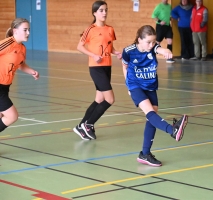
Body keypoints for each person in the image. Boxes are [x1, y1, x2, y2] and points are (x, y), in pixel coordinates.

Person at [122, 25, 188, 167]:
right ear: (139, 40)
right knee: (150, 112)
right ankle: (172, 130)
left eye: (153, 41)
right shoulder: (129, 51)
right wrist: (128, 86)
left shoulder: (153, 47)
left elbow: (159, 48)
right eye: (148, 42)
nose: (151, 45)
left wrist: (165, 50)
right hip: (136, 86)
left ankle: (145, 153)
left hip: (151, 86)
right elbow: (125, 66)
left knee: (152, 118)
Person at [73, 0, 122, 140]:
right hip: (96, 68)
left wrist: (116, 52)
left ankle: (80, 126)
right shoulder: (90, 29)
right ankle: (88, 124)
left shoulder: (110, 29)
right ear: (94, 13)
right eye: (101, 10)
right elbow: (80, 47)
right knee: (110, 99)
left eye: (106, 10)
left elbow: (108, 46)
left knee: (99, 99)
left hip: (107, 66)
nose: (104, 13)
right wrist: (93, 55)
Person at [0, 18, 39, 133]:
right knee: (12, 116)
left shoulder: (22, 48)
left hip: (5, 86)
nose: (28, 33)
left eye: (29, 30)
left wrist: (31, 71)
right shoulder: (7, 43)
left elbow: (21, 64)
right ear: (15, 31)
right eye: (25, 30)